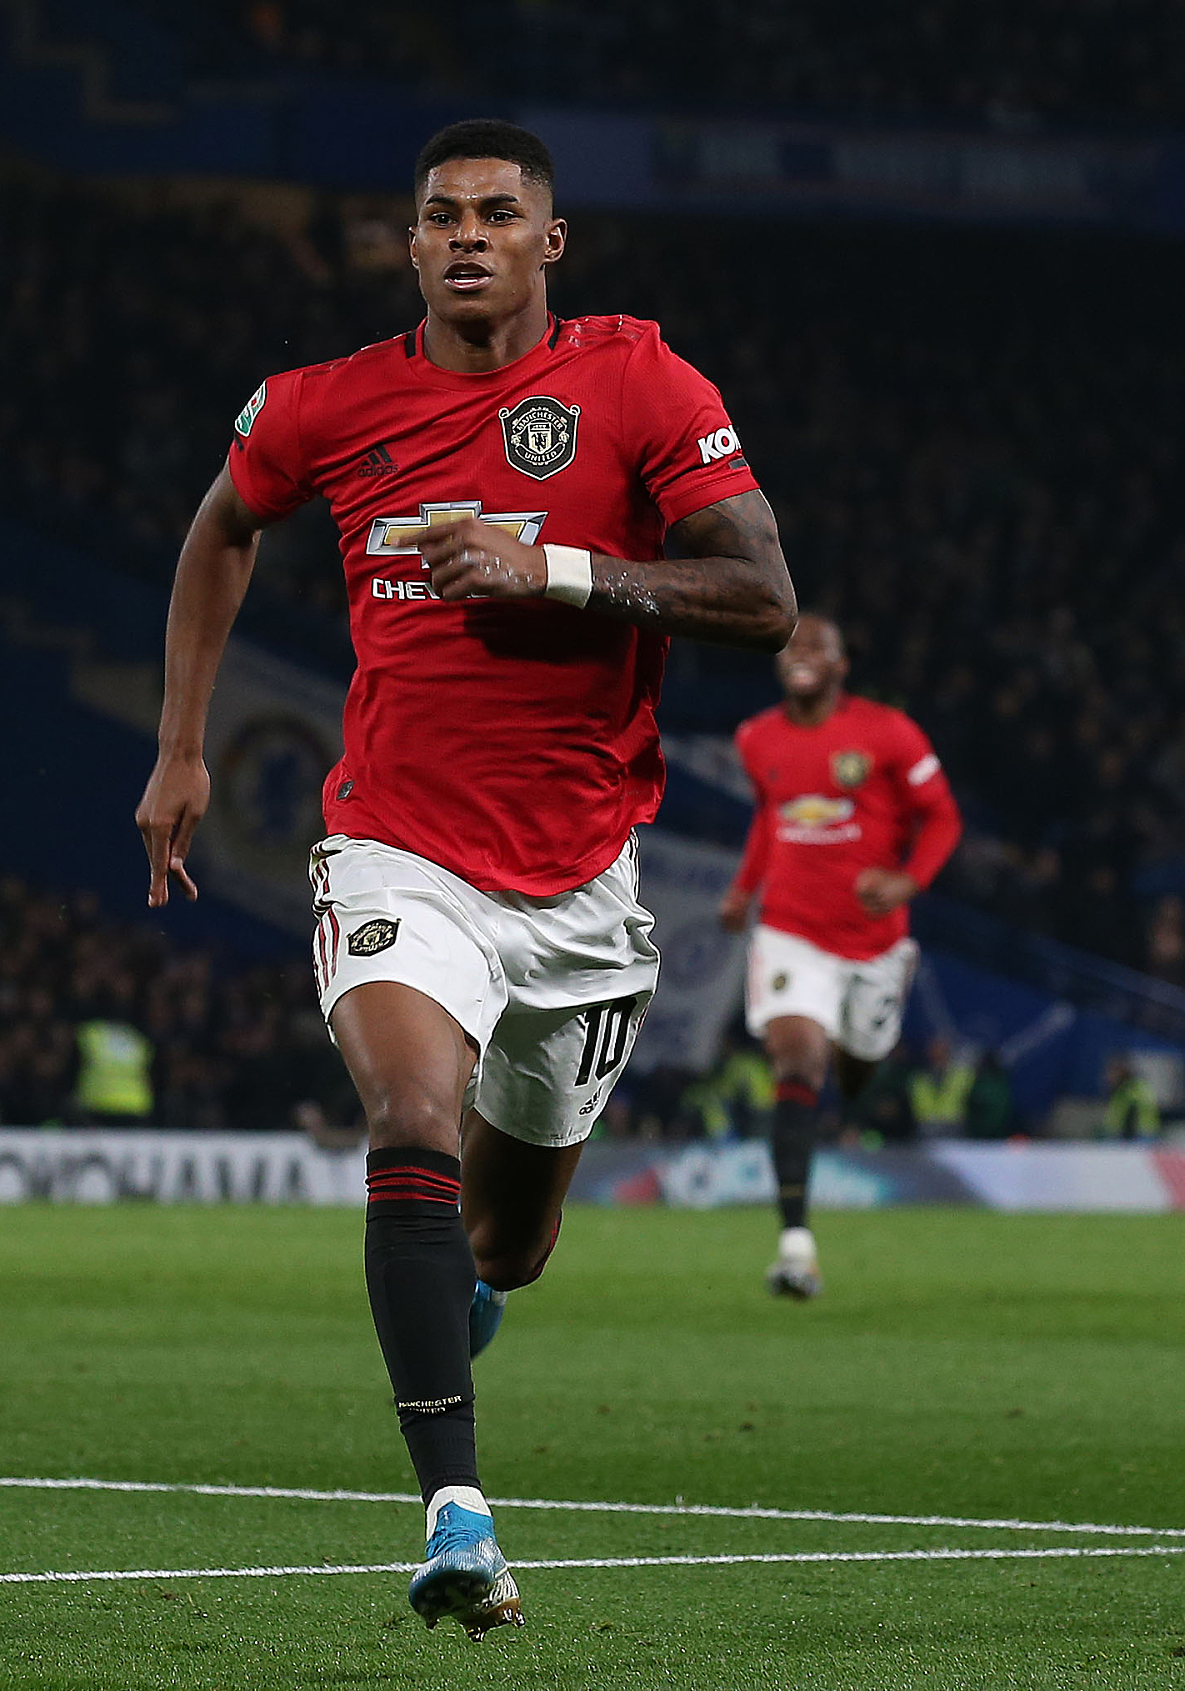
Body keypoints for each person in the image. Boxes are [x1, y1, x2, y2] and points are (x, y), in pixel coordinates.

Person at [134, 120, 795, 1637]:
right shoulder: (326, 404)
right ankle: (458, 1513)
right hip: (399, 843)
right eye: (442, 216)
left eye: (499, 213)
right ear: (411, 244)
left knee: (508, 1241)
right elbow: (222, 525)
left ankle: (466, 1292)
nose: (468, 236)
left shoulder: (641, 381)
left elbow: (762, 596)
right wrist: (181, 745)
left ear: (549, 241)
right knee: (408, 1118)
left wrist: (544, 568)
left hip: (581, 878)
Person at [718, 614, 960, 1298]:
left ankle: (865, 1042)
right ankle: (796, 1246)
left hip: (875, 943)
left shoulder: (889, 732)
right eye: (791, 645)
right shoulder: (755, 737)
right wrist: (744, 890)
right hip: (791, 931)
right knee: (797, 1060)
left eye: (815, 647)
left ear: (840, 664)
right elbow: (770, 816)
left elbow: (943, 817)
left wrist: (907, 882)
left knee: (857, 1069)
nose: (800, 655)